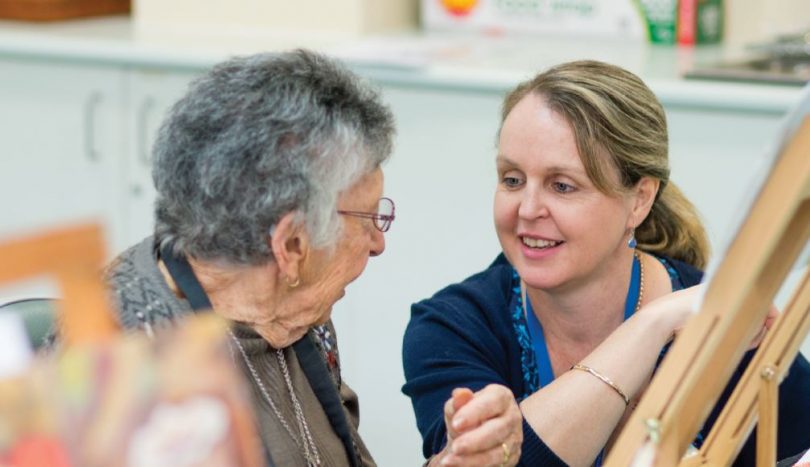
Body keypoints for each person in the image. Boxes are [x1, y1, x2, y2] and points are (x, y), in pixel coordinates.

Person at [98, 50, 522, 466]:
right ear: (292, 247)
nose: (378, 243)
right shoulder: (126, 377)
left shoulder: (291, 314)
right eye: (368, 218)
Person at [402, 60, 810, 466]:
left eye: (562, 186)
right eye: (512, 179)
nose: (527, 209)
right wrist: (654, 324)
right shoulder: (451, 326)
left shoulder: (728, 325)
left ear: (640, 200)